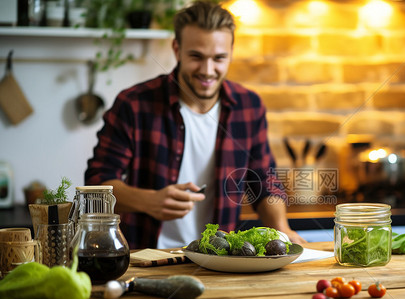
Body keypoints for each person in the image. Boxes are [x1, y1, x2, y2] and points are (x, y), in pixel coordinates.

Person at [85, 1, 305, 250]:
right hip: (147, 257)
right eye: (196, 57)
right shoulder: (134, 104)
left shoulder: (249, 105)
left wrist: (282, 229)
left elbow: (264, 182)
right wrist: (149, 201)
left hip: (220, 260)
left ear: (231, 52)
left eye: (219, 58)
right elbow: (96, 186)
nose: (208, 71)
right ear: (177, 49)